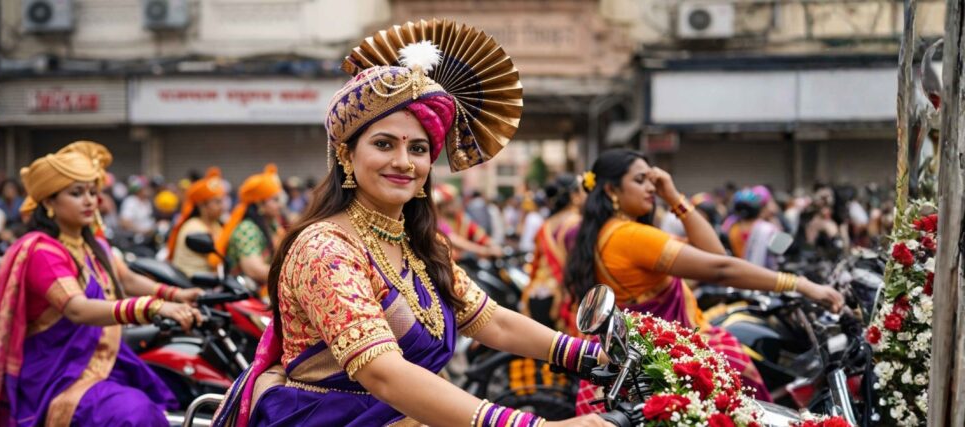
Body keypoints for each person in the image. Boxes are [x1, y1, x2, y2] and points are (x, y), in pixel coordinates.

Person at [212, 35, 610, 427]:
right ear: (347, 155)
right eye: (384, 144)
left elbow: (492, 321)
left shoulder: (422, 242)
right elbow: (383, 373)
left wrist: (586, 354)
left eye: (418, 149)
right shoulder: (325, 249)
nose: (403, 162)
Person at [565, 149, 844, 413]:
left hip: (641, 356)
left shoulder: (609, 232)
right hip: (667, 357)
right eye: (640, 181)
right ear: (611, 189)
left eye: (652, 181)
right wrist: (802, 285)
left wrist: (673, 197)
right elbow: (720, 266)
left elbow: (713, 252)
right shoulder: (630, 236)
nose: (652, 188)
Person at [0, 147, 203, 427]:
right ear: (49, 201)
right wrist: (152, 307)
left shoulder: (92, 245)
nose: (89, 201)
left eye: (92, 192)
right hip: (57, 375)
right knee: (135, 414)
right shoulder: (43, 252)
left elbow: (127, 279)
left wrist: (178, 294)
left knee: (171, 397)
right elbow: (77, 309)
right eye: (76, 193)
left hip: (101, 362)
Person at [521, 175, 584, 334]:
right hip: (561, 299)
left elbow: (535, 263)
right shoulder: (577, 224)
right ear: (574, 196)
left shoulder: (545, 225)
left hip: (536, 294)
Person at [214, 164, 285, 287]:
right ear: (259, 204)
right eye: (275, 200)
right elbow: (255, 270)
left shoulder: (272, 224)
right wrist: (293, 275)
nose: (280, 205)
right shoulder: (247, 229)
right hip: (246, 295)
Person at [167, 167, 228, 277]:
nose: (222, 206)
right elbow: (214, 260)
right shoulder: (193, 227)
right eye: (217, 202)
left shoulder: (216, 224)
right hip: (191, 283)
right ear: (202, 205)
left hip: (211, 279)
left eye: (222, 201)